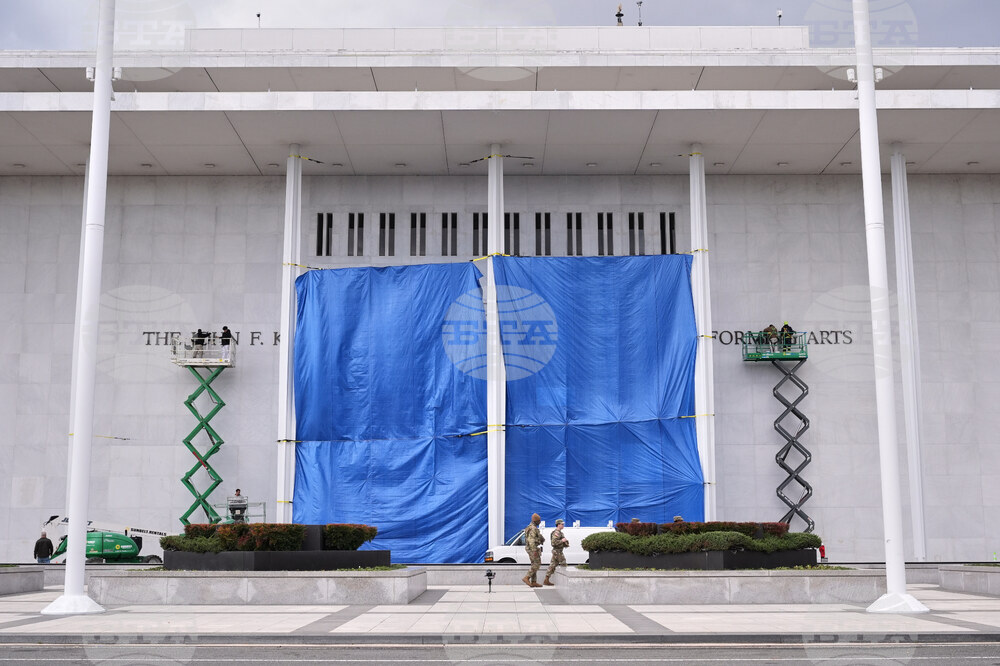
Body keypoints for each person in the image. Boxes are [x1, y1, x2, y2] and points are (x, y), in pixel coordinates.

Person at [521, 513, 545, 588]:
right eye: (539, 520)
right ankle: (527, 577)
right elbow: (531, 540)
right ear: (536, 521)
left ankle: (534, 582)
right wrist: (534, 550)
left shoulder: (530, 527)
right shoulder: (533, 529)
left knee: (534, 564)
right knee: (537, 564)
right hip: (532, 548)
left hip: (530, 548)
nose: (540, 522)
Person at [543, 518, 569, 586]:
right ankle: (565, 581)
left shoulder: (560, 532)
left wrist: (565, 543)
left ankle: (546, 579)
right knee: (563, 564)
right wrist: (562, 541)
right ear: (558, 525)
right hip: (557, 551)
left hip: (558, 551)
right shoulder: (556, 533)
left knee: (552, 565)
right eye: (562, 524)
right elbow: (553, 543)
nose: (563, 525)